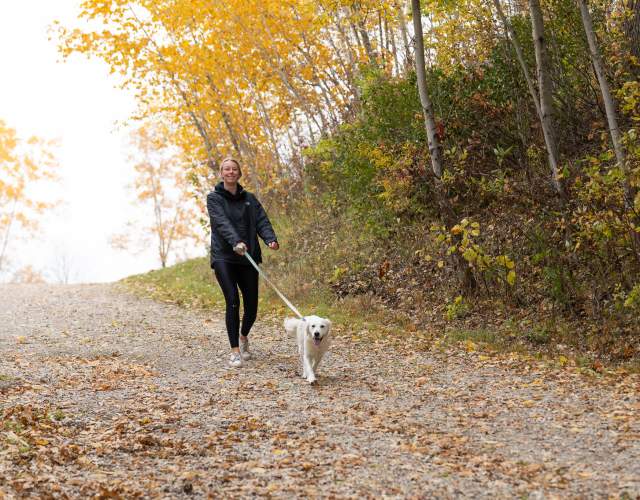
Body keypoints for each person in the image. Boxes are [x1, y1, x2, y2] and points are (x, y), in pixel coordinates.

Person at [206, 157, 279, 367]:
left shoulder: (250, 199)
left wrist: (270, 239)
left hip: (248, 257)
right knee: (232, 301)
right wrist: (235, 241)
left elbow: (261, 220)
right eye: (226, 169)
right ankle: (235, 351)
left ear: (239, 173)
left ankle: (244, 336)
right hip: (225, 257)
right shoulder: (214, 198)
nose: (230, 172)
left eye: (234, 169)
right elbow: (221, 222)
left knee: (252, 308)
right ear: (221, 173)